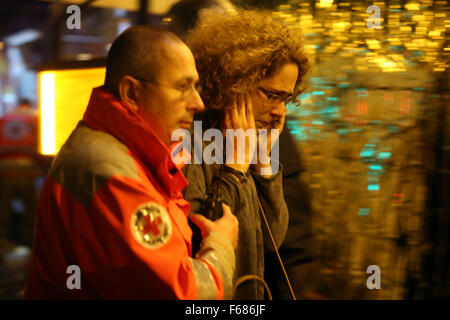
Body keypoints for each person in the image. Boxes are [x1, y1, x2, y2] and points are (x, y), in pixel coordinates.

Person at [24, 26, 238, 299]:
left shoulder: (130, 154)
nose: (198, 103)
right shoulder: (112, 173)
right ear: (131, 93)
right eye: (183, 87)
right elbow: (182, 294)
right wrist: (220, 245)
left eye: (195, 87)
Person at [180, 9, 311, 299]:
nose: (280, 111)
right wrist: (236, 169)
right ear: (234, 80)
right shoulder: (190, 139)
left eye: (287, 98)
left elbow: (270, 239)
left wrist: (264, 161)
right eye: (272, 95)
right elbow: (208, 240)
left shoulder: (247, 139)